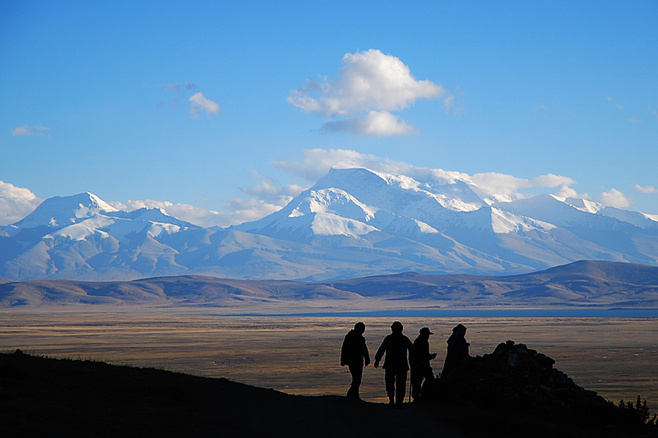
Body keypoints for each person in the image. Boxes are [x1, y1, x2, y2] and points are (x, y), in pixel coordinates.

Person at [374, 321, 414, 408]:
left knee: (390, 383)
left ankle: (392, 401)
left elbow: (382, 349)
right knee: (400, 384)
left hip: (390, 365)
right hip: (401, 365)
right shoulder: (404, 339)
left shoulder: (388, 339)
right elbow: (412, 350)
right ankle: (398, 402)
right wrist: (412, 362)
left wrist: (377, 360)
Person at [340, 322, 370, 399]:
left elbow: (344, 348)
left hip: (353, 360)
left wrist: (343, 360)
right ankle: (352, 395)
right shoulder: (358, 338)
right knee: (357, 378)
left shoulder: (350, 336)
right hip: (356, 361)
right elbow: (363, 349)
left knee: (356, 378)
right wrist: (367, 358)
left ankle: (354, 395)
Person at [410, 327, 437, 401]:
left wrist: (430, 356)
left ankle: (419, 396)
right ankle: (419, 396)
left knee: (419, 382)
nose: (428, 336)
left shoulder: (420, 341)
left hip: (420, 364)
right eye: (427, 334)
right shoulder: (421, 342)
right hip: (421, 365)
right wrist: (430, 356)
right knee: (423, 381)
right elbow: (421, 355)